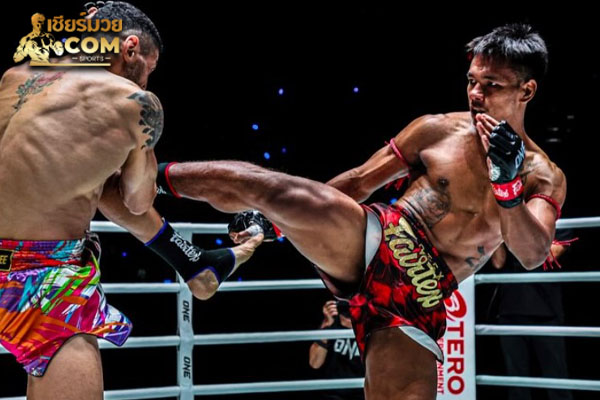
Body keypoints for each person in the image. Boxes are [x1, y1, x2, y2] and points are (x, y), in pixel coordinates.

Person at [109, 23, 565, 399]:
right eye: (471, 81)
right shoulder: (437, 130)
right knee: (273, 189)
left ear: (526, 90)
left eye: (491, 85)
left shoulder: (543, 175)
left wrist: (507, 187)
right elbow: (360, 181)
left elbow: (530, 253)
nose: (476, 94)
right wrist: (277, 226)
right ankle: (136, 178)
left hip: (420, 295)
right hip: (379, 236)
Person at [0, 2, 260, 399]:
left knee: (96, 181)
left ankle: (192, 262)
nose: (147, 79)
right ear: (130, 48)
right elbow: (136, 200)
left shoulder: (16, 76)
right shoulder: (135, 101)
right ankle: (194, 264)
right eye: (149, 68)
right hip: (43, 277)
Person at [492, 229, 575, 400]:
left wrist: (515, 234)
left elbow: (549, 256)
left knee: (557, 384)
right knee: (517, 388)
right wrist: (497, 233)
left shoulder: (558, 221)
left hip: (547, 313)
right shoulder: (507, 220)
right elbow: (498, 262)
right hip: (510, 311)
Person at [309, 300, 365, 400]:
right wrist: (326, 326)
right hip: (332, 394)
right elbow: (315, 363)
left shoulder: (370, 325)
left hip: (362, 394)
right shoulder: (331, 322)